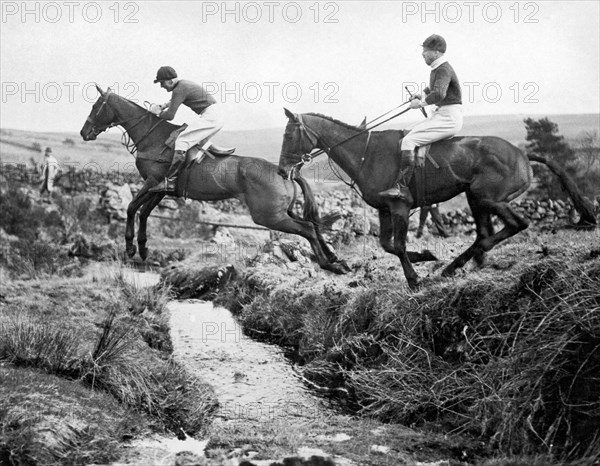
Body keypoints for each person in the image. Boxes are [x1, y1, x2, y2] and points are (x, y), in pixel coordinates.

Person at [379, 34, 463, 202]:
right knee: (408, 136)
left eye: (426, 50)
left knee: (408, 142)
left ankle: (401, 188)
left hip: (448, 118)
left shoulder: (444, 69)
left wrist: (421, 103)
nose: (423, 53)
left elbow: (439, 93)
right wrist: (421, 94)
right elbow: (433, 88)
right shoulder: (438, 69)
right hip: (442, 115)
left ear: (437, 52)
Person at [148, 66, 224, 193]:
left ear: (170, 81)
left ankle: (170, 182)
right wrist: (163, 105)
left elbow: (170, 116)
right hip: (215, 115)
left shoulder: (179, 89)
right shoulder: (182, 85)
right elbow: (175, 100)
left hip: (211, 117)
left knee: (182, 141)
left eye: (162, 83)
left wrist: (157, 112)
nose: (161, 86)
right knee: (191, 142)